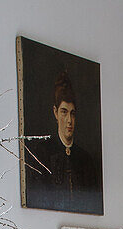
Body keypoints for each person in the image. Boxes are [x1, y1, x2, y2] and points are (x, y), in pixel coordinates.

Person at [24, 70, 103, 214]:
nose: (69, 120)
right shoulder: (42, 154)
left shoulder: (86, 160)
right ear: (55, 112)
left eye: (72, 113)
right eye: (64, 112)